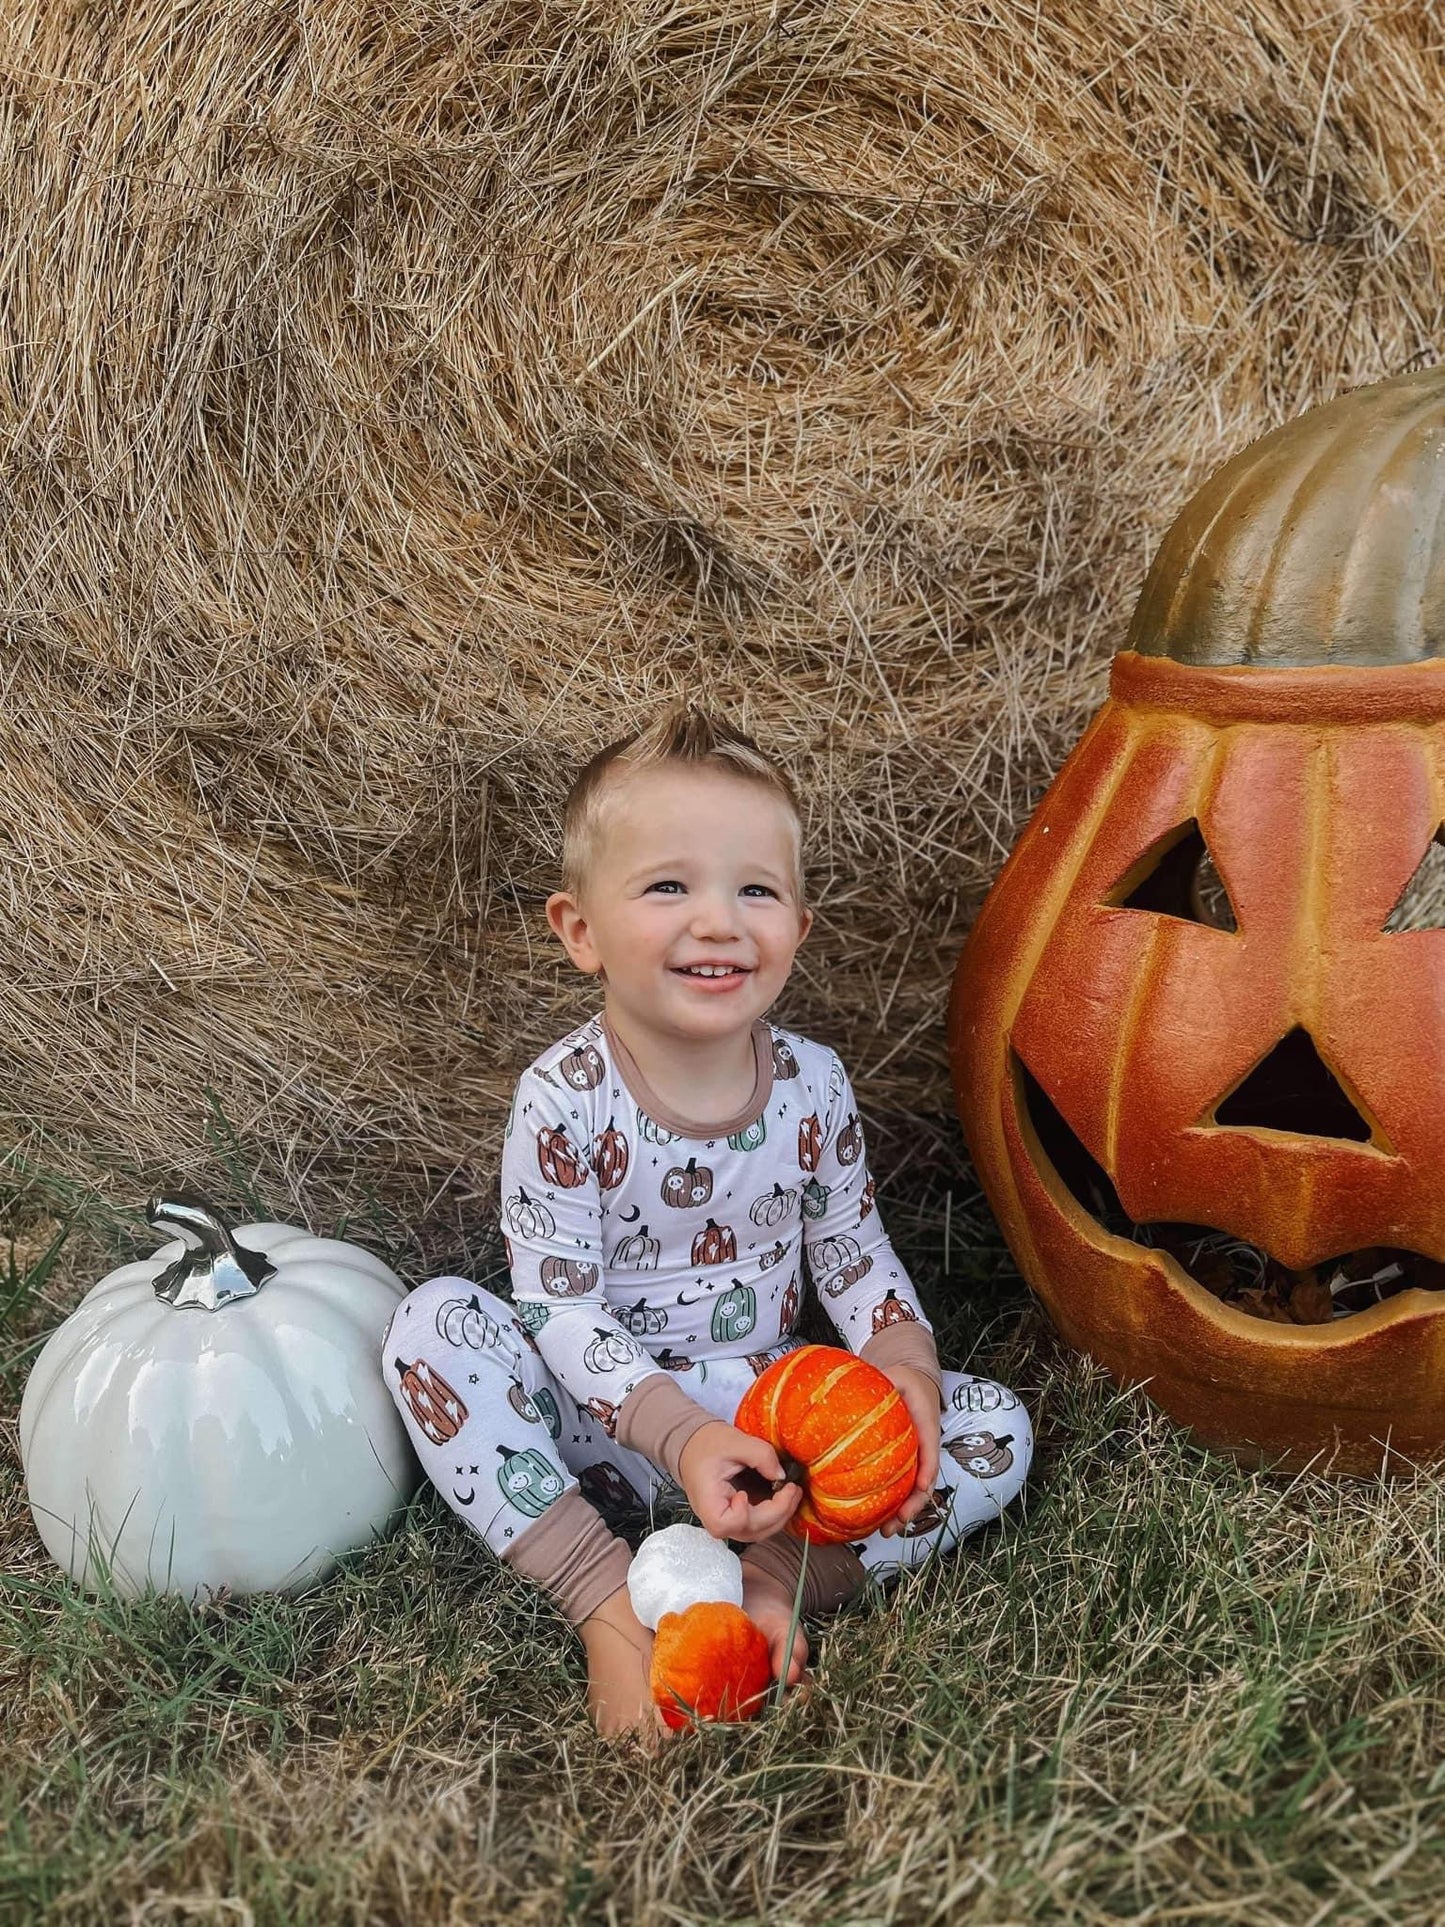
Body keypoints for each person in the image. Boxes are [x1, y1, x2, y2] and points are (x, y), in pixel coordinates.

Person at [383, 707, 1031, 1737]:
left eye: (756, 889)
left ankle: (771, 1585)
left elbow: (855, 1256)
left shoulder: (811, 1085)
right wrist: (680, 1439)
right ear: (579, 931)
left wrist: (901, 1364)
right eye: (668, 885)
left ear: (797, 930)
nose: (720, 919)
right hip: (600, 1426)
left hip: (774, 1438)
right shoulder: (564, 1098)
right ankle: (603, 1602)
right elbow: (556, 1306)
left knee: (992, 1425)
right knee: (429, 1327)